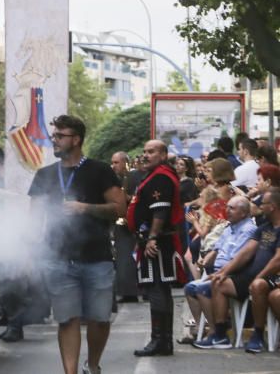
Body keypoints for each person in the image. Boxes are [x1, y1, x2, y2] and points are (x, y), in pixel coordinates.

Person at [28, 114, 125, 374]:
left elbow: (120, 208)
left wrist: (85, 208)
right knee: (67, 319)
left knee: (100, 319)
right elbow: (33, 217)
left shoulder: (99, 170)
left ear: (77, 139)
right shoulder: (45, 175)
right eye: (54, 136)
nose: (54, 141)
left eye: (60, 136)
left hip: (98, 257)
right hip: (58, 258)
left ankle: (92, 365)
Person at [195, 186, 280, 351]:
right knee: (219, 283)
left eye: (263, 204)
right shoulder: (264, 228)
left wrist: (259, 277)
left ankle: (258, 334)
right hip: (251, 275)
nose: (260, 207)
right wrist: (223, 272)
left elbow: (277, 260)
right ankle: (219, 335)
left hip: (271, 276)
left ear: (273, 206)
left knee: (257, 285)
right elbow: (246, 253)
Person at [128, 139, 188, 357]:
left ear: (163, 155)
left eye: (151, 151)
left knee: (156, 289)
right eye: (144, 151)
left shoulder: (161, 176)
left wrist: (152, 238)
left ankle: (159, 340)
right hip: (156, 240)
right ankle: (164, 341)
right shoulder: (156, 175)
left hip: (159, 243)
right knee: (159, 289)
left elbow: (160, 210)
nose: (146, 155)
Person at [178, 196, 256, 344]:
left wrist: (219, 273)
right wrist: (207, 258)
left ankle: (217, 333)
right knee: (190, 288)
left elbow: (237, 259)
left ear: (244, 213)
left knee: (203, 288)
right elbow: (217, 247)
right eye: (228, 207)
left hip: (234, 275)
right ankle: (204, 328)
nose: (227, 210)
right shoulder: (229, 228)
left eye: (232, 208)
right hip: (218, 271)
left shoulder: (248, 230)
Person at [110, 152, 139, 303]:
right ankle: (126, 291)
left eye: (116, 163)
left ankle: (135, 290)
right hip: (120, 224)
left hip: (134, 223)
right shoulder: (114, 179)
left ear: (125, 162)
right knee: (122, 259)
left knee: (132, 259)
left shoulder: (135, 177)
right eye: (112, 163)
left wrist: (123, 197)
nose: (114, 166)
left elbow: (137, 198)